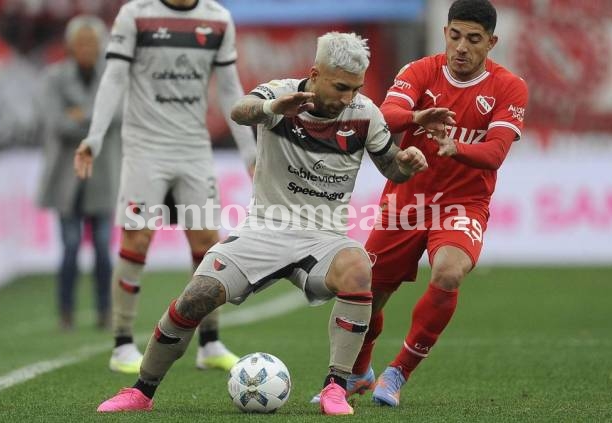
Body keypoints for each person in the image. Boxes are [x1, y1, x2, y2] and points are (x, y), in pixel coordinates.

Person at [94, 31, 443, 416]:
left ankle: (336, 388)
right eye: (341, 87)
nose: (348, 97)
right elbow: (240, 111)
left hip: (323, 236)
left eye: (355, 88)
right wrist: (274, 108)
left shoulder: (365, 113)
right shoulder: (281, 93)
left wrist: (405, 165)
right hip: (264, 228)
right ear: (316, 73)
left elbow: (391, 164)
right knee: (196, 297)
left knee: (359, 267)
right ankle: (141, 391)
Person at [341, 0, 529, 407]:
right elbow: (386, 115)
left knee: (449, 271)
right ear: (445, 33)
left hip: (464, 203)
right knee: (364, 299)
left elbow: (495, 153)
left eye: (474, 39)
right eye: (455, 35)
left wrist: (454, 147)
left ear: (491, 43)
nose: (462, 47)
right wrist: (418, 117)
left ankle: (398, 372)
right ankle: (359, 372)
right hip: (408, 199)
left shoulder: (508, 86)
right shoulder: (420, 70)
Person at [73, 0, 258, 374]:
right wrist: (95, 136)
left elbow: (228, 89)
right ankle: (122, 343)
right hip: (145, 149)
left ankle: (210, 342)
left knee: (208, 244)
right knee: (136, 241)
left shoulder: (218, 19)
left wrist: (251, 153)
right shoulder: (135, 14)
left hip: (193, 148)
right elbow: (114, 77)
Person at [37, 15, 121, 331]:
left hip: (103, 176)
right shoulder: (52, 78)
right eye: (81, 42)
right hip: (66, 177)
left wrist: (78, 115)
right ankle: (66, 311)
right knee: (70, 248)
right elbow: (56, 123)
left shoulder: (114, 77)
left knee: (102, 248)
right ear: (70, 46)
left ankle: (104, 309)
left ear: (101, 45)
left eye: (91, 42)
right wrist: (95, 118)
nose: (86, 48)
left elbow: (118, 116)